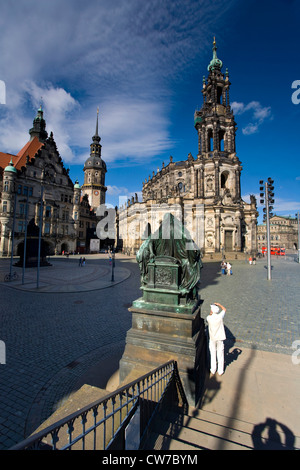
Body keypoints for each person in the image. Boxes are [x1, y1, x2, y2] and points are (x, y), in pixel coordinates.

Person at [207, 302, 227, 375]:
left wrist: (211, 312)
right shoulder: (220, 316)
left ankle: (213, 369)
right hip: (220, 338)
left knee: (213, 353)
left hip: (212, 338)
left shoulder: (209, 318)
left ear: (212, 311)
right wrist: (219, 304)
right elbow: (224, 309)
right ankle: (220, 370)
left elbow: (209, 315)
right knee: (220, 354)